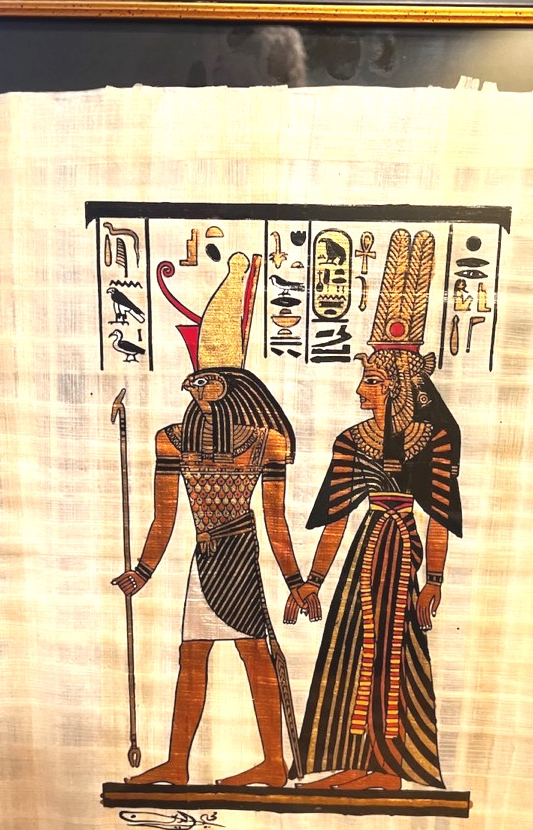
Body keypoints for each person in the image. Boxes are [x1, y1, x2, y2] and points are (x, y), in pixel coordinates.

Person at [113, 252, 304, 788]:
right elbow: (165, 517)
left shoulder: (266, 442)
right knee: (191, 656)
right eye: (193, 384)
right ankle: (178, 763)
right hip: (204, 558)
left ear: (234, 384)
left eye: (208, 383)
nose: (196, 393)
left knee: (253, 654)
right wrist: (143, 571)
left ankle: (273, 762)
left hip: (238, 556)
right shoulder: (172, 440)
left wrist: (296, 581)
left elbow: (275, 519)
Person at [287, 229, 463, 791]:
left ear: (395, 387)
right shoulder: (351, 440)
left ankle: (389, 770)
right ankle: (355, 762)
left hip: (401, 552)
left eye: (370, 380)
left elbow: (439, 516)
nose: (360, 390)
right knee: (351, 648)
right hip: (366, 553)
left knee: (392, 650)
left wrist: (434, 581)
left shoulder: (431, 439)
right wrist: (313, 581)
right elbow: (337, 517)